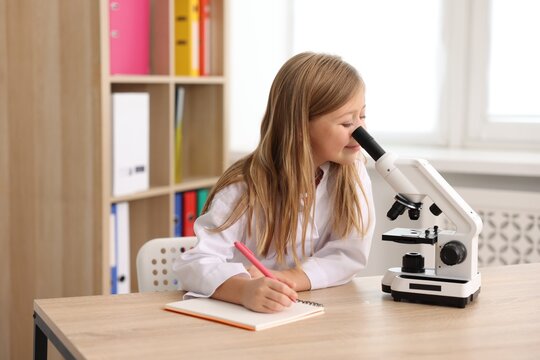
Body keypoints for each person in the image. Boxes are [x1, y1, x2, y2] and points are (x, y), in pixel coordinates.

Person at [173, 52, 375, 313]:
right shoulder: (243, 188)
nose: (361, 132)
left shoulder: (353, 173)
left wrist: (290, 278)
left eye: (363, 116)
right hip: (244, 318)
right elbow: (195, 263)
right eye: (347, 122)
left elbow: (347, 255)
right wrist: (244, 290)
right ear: (301, 126)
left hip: (305, 311)